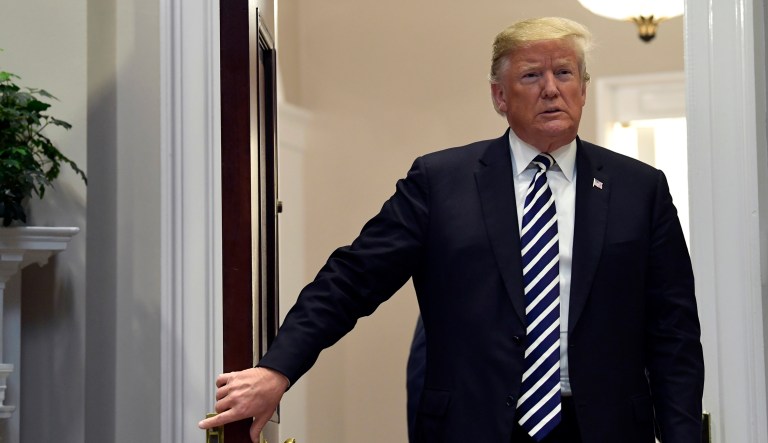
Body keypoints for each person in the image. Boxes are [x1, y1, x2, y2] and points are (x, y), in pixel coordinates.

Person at [199, 17, 704, 442]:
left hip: (605, 427)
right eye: (531, 76)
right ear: (499, 96)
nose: (552, 88)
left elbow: (674, 331)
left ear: (584, 89)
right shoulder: (441, 183)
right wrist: (277, 369)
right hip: (474, 425)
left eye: (565, 72)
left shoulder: (641, 189)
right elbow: (351, 280)